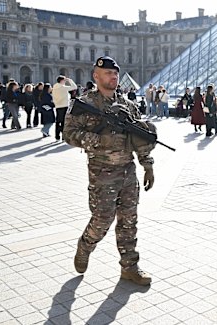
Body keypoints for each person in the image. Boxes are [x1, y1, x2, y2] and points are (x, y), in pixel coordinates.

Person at [63, 56, 155, 286]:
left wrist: (148, 165)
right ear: (96, 76)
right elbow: (69, 134)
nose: (113, 77)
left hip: (127, 171)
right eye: (108, 73)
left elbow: (139, 137)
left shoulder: (127, 105)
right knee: (102, 219)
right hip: (102, 172)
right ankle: (85, 245)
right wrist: (97, 139)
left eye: (115, 73)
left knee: (129, 221)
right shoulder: (85, 104)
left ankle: (130, 267)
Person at [52, 75, 77, 141]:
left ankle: (57, 136)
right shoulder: (63, 87)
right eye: (64, 80)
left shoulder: (54, 87)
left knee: (58, 121)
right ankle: (63, 136)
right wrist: (69, 80)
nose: (65, 82)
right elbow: (74, 87)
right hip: (64, 106)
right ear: (62, 81)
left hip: (58, 106)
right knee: (64, 122)